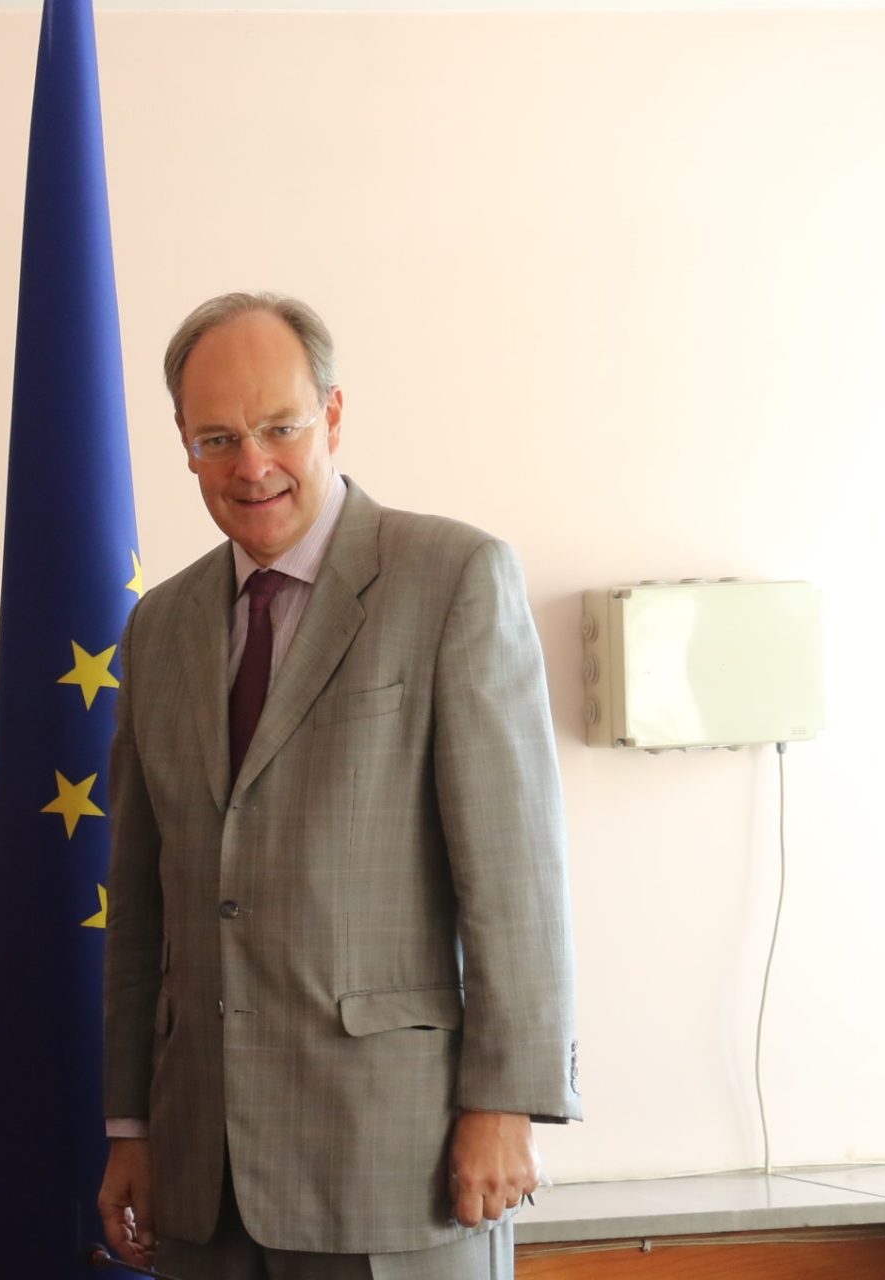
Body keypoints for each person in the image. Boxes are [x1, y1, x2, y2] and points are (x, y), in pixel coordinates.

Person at [96, 293, 580, 1279]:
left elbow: (513, 873)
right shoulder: (160, 625)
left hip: (398, 1162)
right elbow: (141, 902)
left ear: (334, 415)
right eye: (218, 438)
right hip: (200, 1174)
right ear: (184, 445)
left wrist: (506, 1102)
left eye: (280, 427)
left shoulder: (451, 578)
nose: (252, 465)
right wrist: (131, 1124)